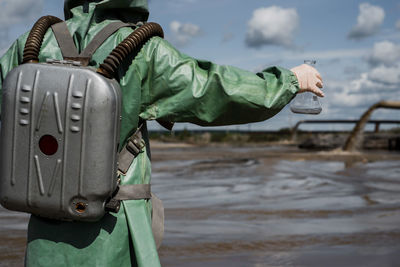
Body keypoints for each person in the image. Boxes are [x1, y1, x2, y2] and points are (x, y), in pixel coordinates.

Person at [0, 0, 323, 266]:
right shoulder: (143, 48)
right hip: (113, 222)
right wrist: (290, 80)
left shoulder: (33, 41)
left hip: (45, 226)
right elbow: (215, 91)